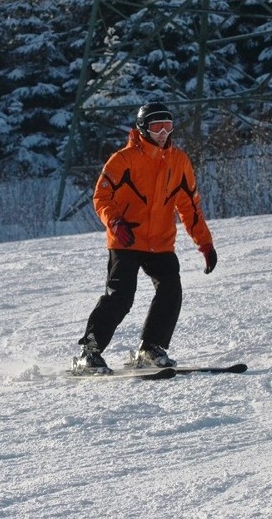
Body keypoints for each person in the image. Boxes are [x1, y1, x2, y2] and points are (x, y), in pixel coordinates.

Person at [75, 102, 217, 374]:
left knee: (170, 289)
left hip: (160, 242)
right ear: (143, 128)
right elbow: (101, 197)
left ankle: (150, 348)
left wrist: (205, 243)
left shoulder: (179, 161)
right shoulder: (123, 159)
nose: (163, 133)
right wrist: (115, 222)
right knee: (120, 297)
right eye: (156, 127)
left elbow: (190, 207)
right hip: (126, 240)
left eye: (168, 126)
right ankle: (89, 351)